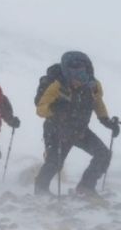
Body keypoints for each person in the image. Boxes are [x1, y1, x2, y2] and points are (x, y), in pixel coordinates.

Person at [34, 51, 119, 197]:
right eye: (74, 74)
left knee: (103, 154)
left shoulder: (93, 86)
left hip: (79, 130)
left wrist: (106, 121)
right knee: (54, 162)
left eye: (82, 74)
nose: (78, 79)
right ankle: (41, 190)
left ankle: (86, 187)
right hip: (56, 129)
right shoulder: (57, 85)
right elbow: (41, 109)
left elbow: (98, 103)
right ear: (67, 73)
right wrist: (55, 109)